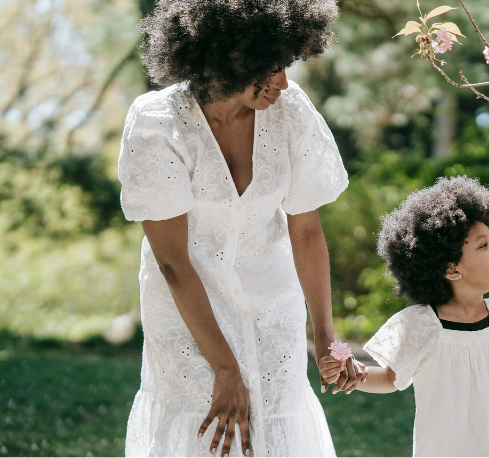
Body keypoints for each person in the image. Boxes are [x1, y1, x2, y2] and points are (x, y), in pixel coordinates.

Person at [118, 1, 364, 455]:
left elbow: (306, 230)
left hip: (275, 312)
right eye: (271, 67)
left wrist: (325, 335)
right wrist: (226, 369)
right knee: (208, 431)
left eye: (286, 65)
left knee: (276, 428)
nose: (284, 82)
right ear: (230, 56)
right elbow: (172, 261)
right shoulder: (158, 123)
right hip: (190, 314)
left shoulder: (290, 113)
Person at [318, 176, 489, 456]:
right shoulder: (419, 324)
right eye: (482, 245)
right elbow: (391, 378)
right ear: (452, 271)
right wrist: (355, 375)